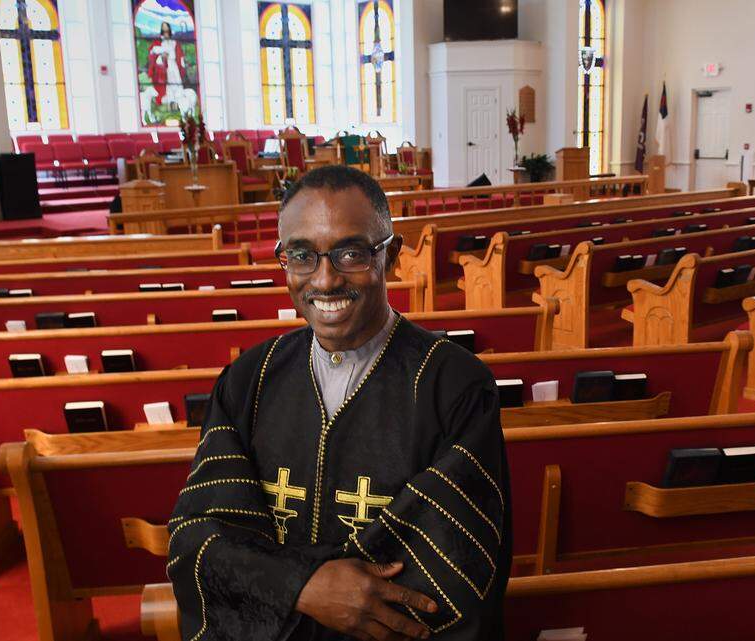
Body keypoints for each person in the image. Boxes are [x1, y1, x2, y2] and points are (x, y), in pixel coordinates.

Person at [168, 165, 512, 641]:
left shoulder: (454, 387)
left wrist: (280, 591)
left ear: (388, 257)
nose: (325, 281)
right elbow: (199, 540)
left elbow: (455, 568)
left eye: (351, 253)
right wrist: (304, 587)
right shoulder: (249, 380)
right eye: (302, 255)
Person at [147, 21, 187, 109]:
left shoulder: (174, 42)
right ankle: (170, 106)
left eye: (167, 29)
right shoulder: (158, 43)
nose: (165, 32)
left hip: (174, 66)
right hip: (164, 67)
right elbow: (153, 53)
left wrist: (182, 65)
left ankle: (178, 104)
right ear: (161, 31)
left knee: (177, 84)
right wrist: (161, 56)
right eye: (164, 29)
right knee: (168, 86)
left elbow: (179, 54)